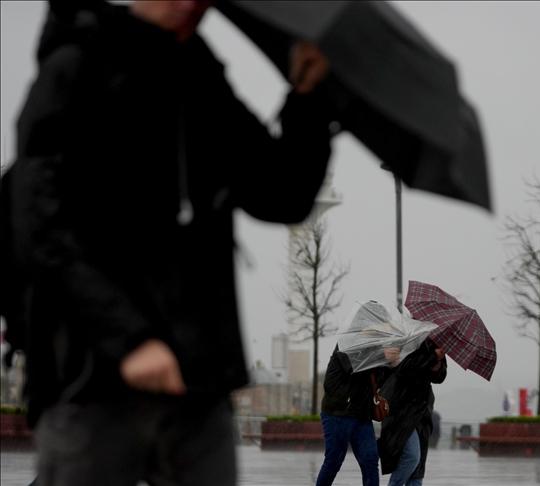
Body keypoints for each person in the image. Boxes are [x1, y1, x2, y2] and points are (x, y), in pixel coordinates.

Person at [2, 0, 335, 484]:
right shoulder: (75, 66)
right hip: (92, 379)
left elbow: (280, 194)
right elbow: (39, 226)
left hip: (198, 382)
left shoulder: (201, 78)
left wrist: (307, 98)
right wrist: (130, 341)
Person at [317, 344, 399, 486]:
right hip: (338, 414)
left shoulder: (376, 348)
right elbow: (354, 368)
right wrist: (382, 357)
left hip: (362, 415)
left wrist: (390, 365)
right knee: (334, 461)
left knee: (370, 460)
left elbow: (377, 381)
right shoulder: (346, 344)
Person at [379, 338, 447, 486]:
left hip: (422, 409)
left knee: (417, 472)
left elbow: (439, 377)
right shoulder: (406, 338)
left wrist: (438, 364)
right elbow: (405, 368)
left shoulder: (435, 342)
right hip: (401, 408)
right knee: (411, 457)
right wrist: (432, 357)